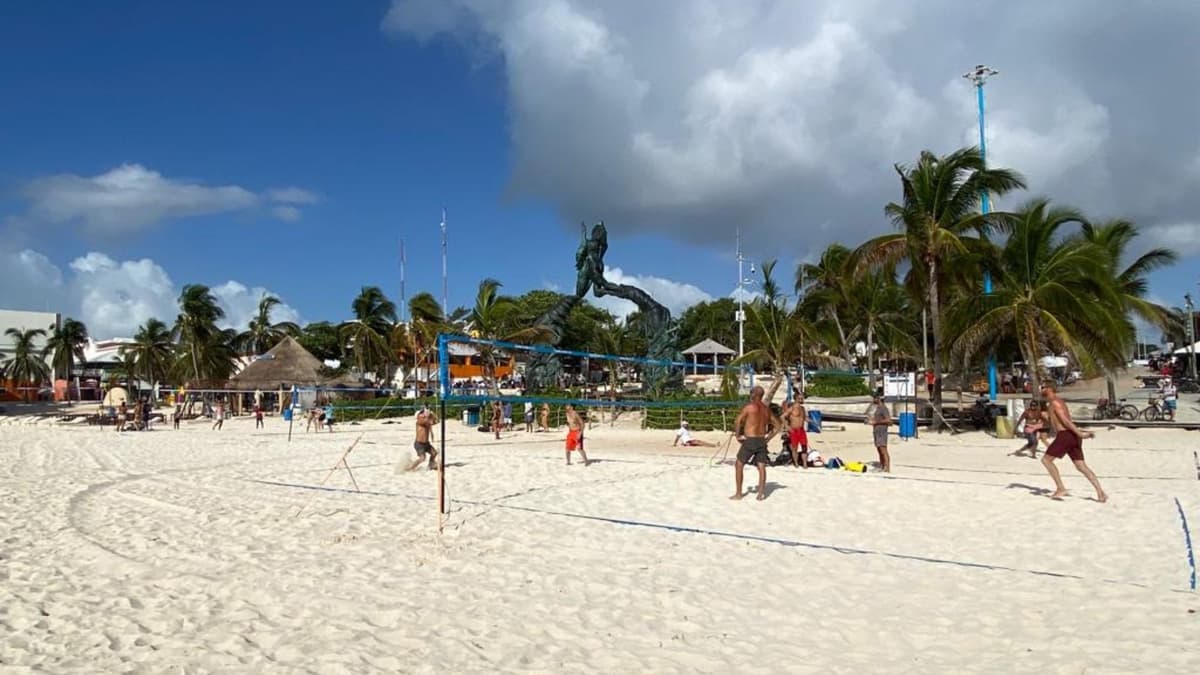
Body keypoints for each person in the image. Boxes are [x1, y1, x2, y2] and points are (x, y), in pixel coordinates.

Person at [1040, 382, 1107, 502]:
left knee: (1046, 460)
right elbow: (1055, 422)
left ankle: (1061, 488)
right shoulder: (1052, 403)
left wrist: (1080, 433)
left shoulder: (1055, 402)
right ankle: (1100, 493)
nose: (1041, 389)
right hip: (1071, 435)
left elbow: (1066, 421)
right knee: (1081, 466)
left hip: (1065, 435)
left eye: (1043, 387)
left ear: (1050, 389)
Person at [730, 386, 780, 501]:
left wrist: (737, 435)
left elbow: (738, 421)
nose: (750, 395)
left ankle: (738, 494)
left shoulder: (750, 407)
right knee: (761, 466)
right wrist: (768, 438)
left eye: (751, 393)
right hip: (761, 440)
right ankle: (761, 493)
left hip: (750, 440)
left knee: (739, 464)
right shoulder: (766, 409)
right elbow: (778, 426)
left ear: (755, 394)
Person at [407, 406, 439, 471]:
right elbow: (426, 422)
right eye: (422, 415)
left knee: (434, 453)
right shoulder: (419, 421)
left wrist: (433, 414)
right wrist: (427, 415)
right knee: (422, 458)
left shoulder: (427, 421)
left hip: (426, 443)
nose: (423, 416)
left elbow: (437, 421)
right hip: (419, 444)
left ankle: (431, 464)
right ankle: (410, 468)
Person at [865, 394, 891, 472]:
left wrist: (876, 422)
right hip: (877, 431)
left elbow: (888, 420)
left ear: (878, 399)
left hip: (882, 432)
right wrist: (870, 420)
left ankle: (887, 467)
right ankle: (882, 465)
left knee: (883, 449)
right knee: (879, 449)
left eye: (874, 399)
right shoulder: (878, 408)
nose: (873, 400)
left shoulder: (883, 408)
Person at [783, 396, 811, 468]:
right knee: (794, 448)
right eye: (800, 398)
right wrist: (787, 427)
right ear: (796, 399)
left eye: (802, 398)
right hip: (794, 430)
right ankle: (796, 463)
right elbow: (782, 416)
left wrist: (811, 421)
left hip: (801, 430)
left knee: (804, 447)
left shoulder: (802, 408)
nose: (802, 400)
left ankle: (805, 463)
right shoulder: (792, 408)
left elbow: (804, 418)